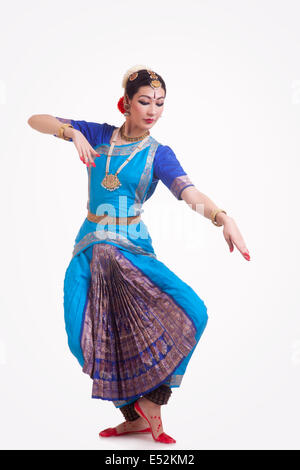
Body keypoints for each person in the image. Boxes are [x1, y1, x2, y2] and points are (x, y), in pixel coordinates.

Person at [27, 65, 250, 444]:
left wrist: (221, 216)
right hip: (90, 247)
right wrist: (71, 131)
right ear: (126, 102)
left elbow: (189, 193)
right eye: (144, 101)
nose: (152, 110)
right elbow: (36, 119)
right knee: (81, 336)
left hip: (131, 249)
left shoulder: (157, 154)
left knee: (193, 311)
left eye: (160, 104)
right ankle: (131, 416)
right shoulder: (97, 134)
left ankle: (153, 402)